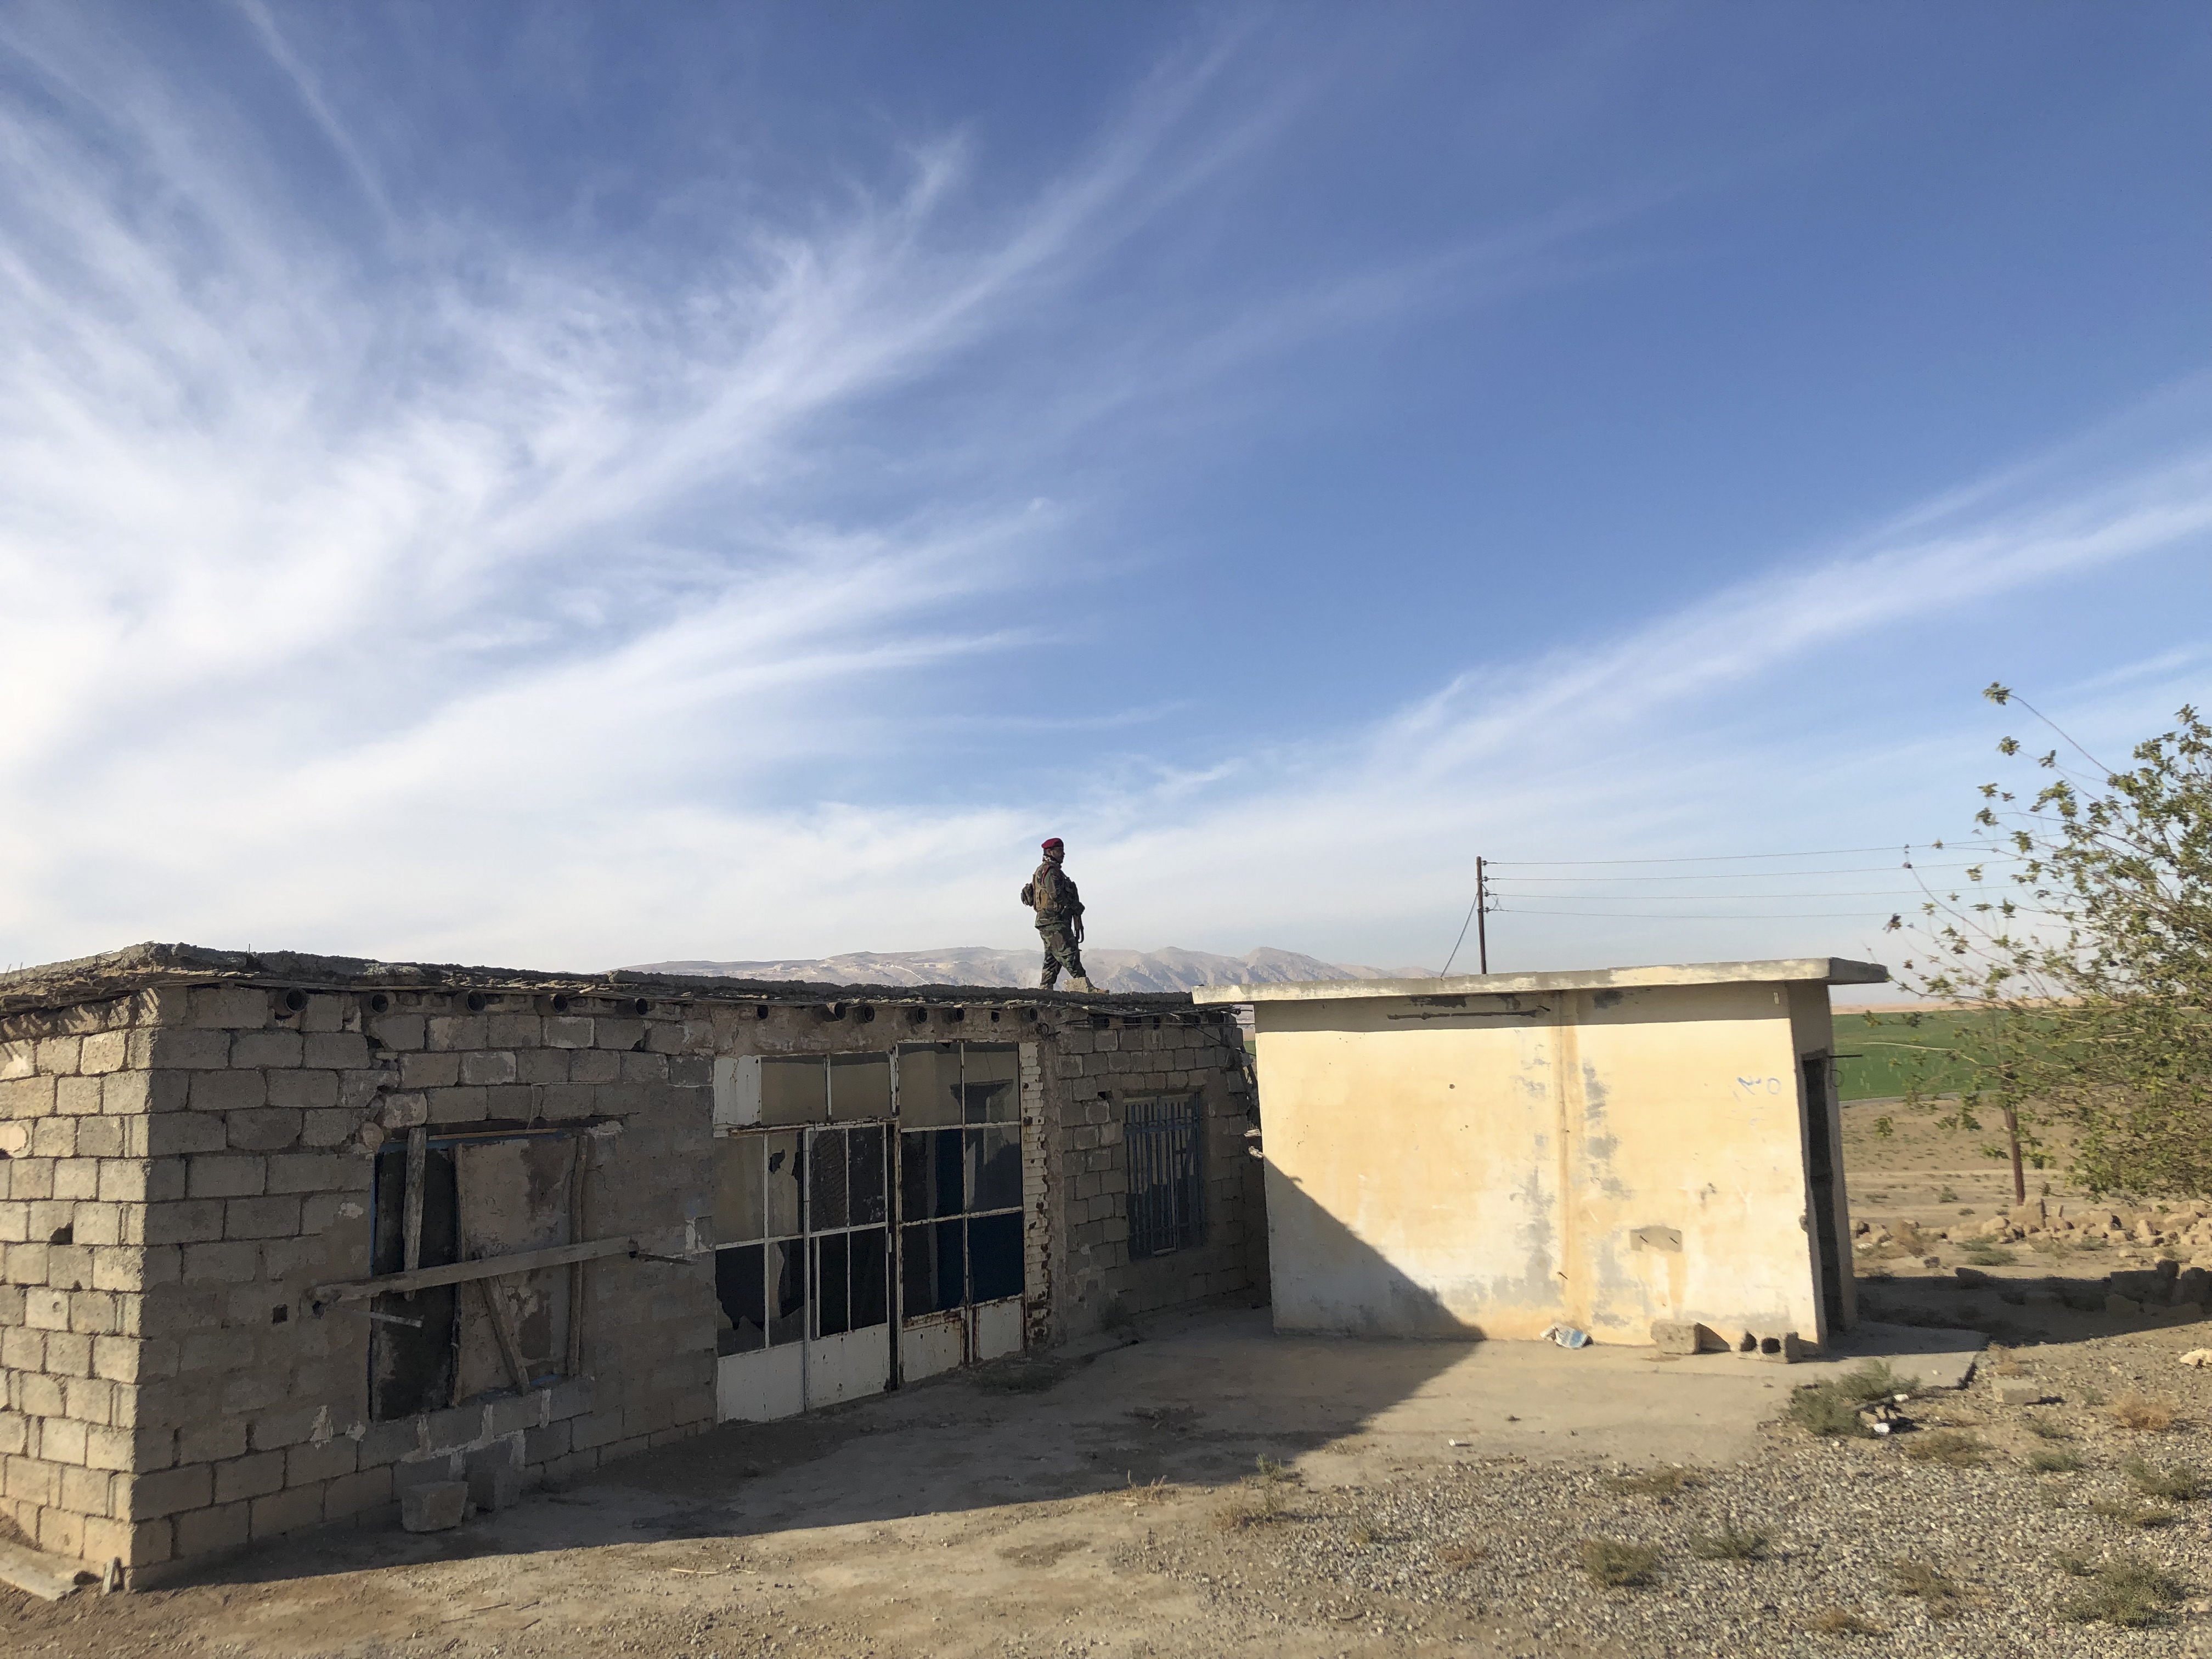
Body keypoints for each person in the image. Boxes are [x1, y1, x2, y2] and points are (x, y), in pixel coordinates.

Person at [1021, 837, 1093, 990]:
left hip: (1051, 921)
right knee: (1069, 953)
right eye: (1060, 851)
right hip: (1053, 921)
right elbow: (1056, 894)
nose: (1063, 854)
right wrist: (1075, 906)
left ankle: (1045, 989)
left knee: (1052, 958)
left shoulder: (1049, 870)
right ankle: (1085, 987)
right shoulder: (1050, 871)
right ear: (1050, 851)